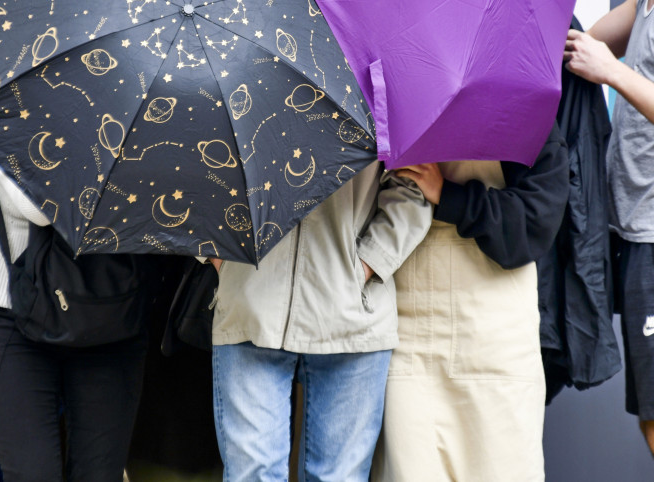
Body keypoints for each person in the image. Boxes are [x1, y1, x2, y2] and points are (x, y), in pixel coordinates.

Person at [206, 160, 432, 481]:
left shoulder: (384, 106)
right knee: (251, 474)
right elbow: (188, 168)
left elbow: (415, 183)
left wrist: (366, 266)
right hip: (250, 308)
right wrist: (221, 256)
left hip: (352, 317)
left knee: (339, 478)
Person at [371, 124, 570, 481]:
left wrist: (449, 195)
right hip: (409, 336)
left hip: (495, 338)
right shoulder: (389, 108)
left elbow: (535, 223)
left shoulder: (523, 110)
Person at [0, 155, 149, 481]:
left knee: (99, 474)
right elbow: (37, 208)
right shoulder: (9, 107)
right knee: (32, 473)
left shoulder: (135, 113)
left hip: (110, 311)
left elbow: (159, 208)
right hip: (8, 312)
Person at [564, 0, 654, 456]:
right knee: (649, 413)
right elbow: (581, 43)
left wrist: (612, 73)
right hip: (633, 231)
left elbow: (600, 60)